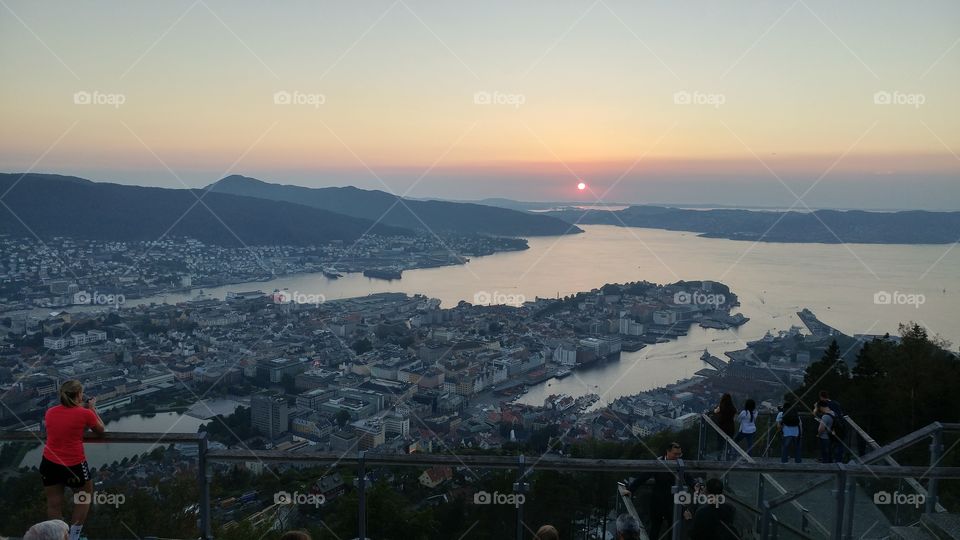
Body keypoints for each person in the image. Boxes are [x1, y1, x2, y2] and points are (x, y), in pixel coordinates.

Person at [40, 380, 105, 540]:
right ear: (78, 395)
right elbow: (100, 431)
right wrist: (92, 409)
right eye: (81, 393)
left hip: (49, 462)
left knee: (54, 503)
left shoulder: (50, 412)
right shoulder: (85, 413)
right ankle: (74, 537)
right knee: (84, 498)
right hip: (74, 464)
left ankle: (58, 537)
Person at [624, 442, 695, 540]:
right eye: (675, 454)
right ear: (668, 452)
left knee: (673, 528)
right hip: (658, 502)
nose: (678, 456)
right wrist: (630, 490)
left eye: (680, 454)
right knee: (655, 529)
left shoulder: (679, 464)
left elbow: (688, 477)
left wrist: (696, 485)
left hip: (672, 503)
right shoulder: (658, 463)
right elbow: (643, 477)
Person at [776, 398, 802, 463]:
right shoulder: (795, 412)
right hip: (796, 433)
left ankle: (784, 462)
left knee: (785, 448)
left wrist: (780, 429)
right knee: (797, 448)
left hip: (787, 433)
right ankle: (798, 462)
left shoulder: (781, 413)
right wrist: (801, 433)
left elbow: (778, 425)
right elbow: (800, 424)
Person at [713, 393, 737, 459]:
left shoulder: (721, 406)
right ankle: (728, 457)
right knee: (729, 443)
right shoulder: (733, 408)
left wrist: (715, 409)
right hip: (730, 427)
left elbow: (715, 411)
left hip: (722, 427)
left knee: (720, 443)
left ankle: (719, 457)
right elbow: (734, 417)